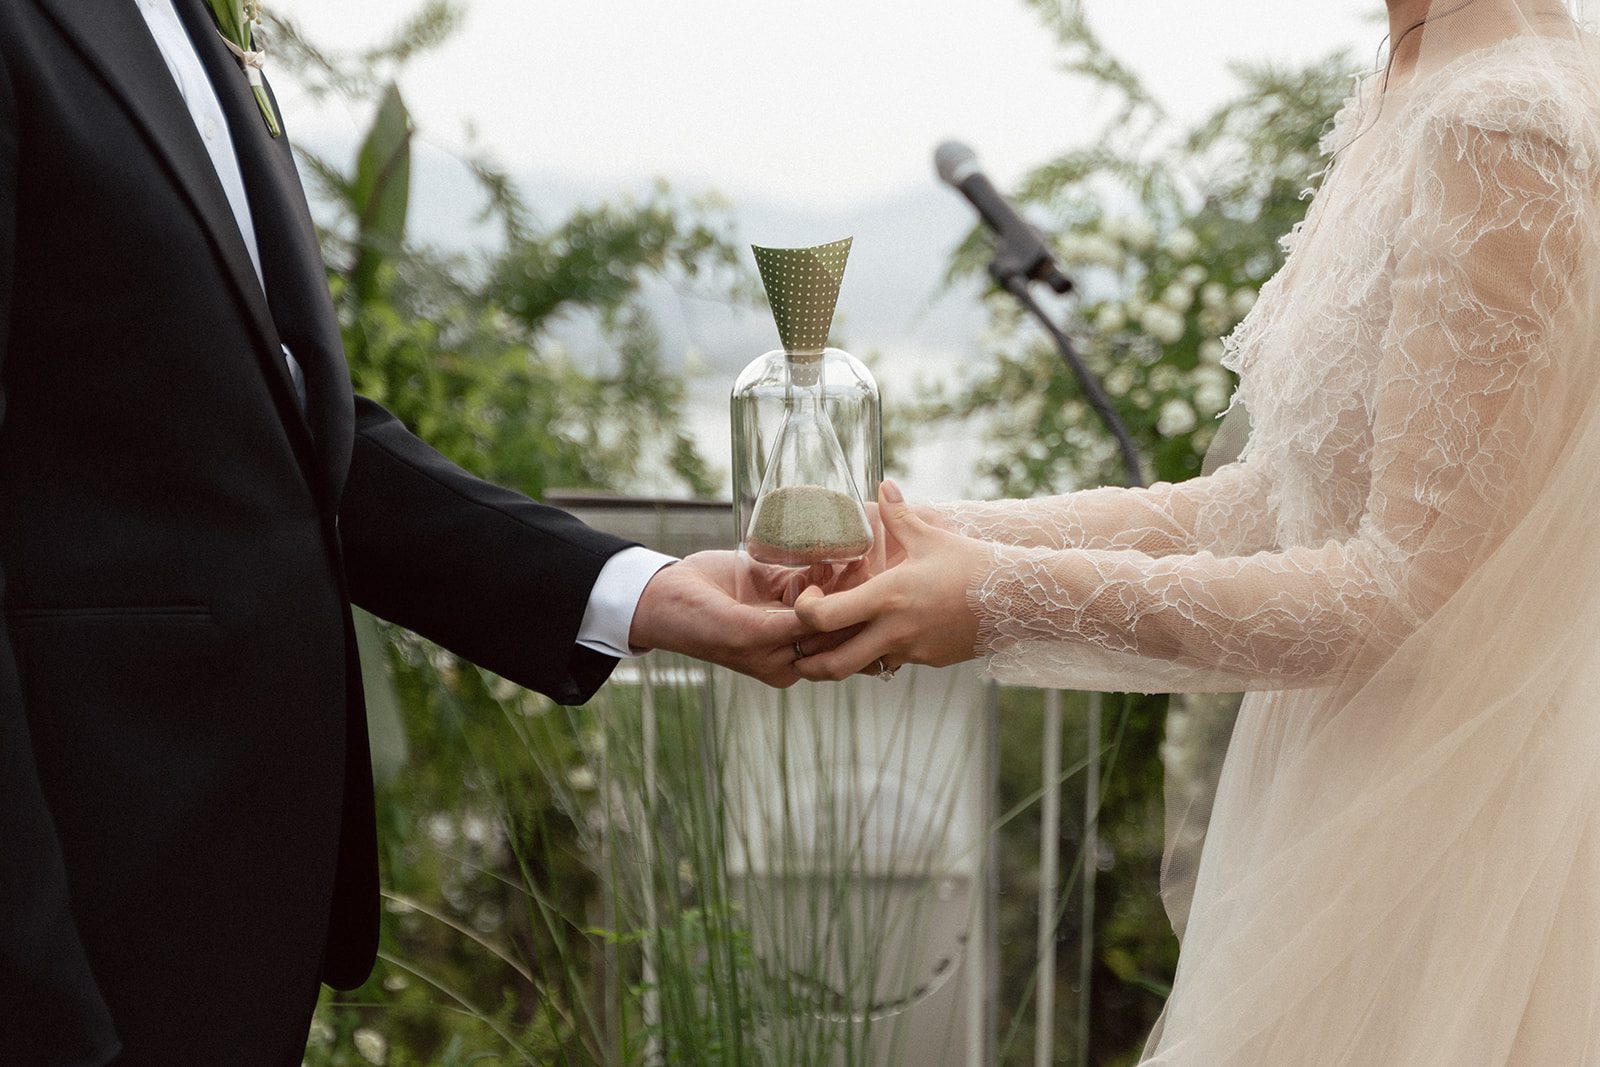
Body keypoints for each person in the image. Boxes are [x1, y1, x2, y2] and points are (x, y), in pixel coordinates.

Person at [0, 1, 822, 1063]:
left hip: (225, 917)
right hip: (78, 921)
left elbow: (293, 438)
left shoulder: (186, 24)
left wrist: (641, 592)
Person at [797, 0, 1600, 1060]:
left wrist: (992, 597)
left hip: (1444, 845)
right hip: (1335, 799)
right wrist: (927, 535)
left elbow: (1407, 594)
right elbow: (1270, 505)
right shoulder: (1409, 82)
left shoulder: (1502, 122)